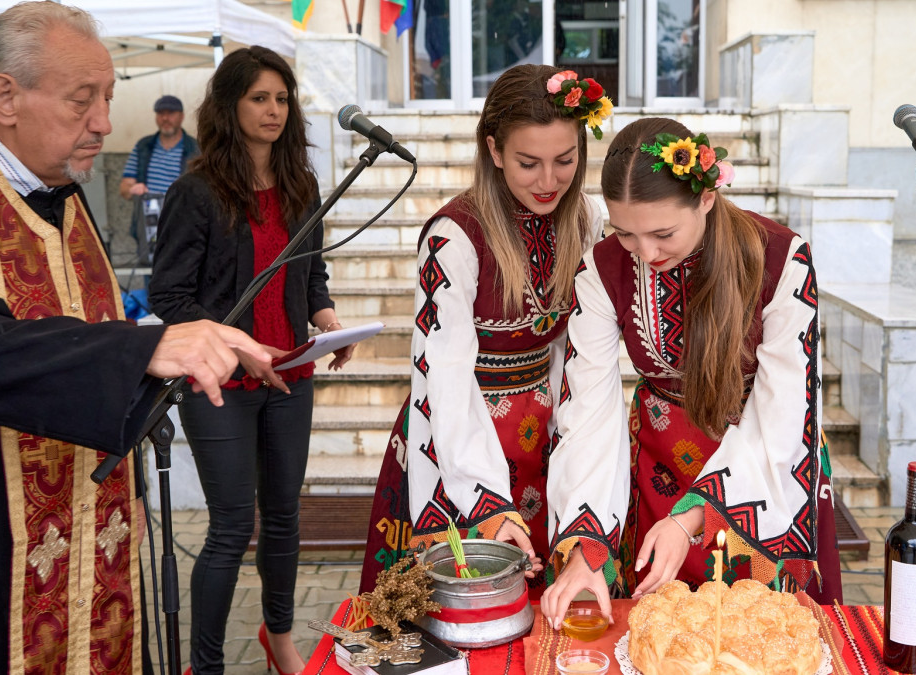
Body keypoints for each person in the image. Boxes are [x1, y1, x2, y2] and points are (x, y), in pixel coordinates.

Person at [0, 3, 270, 673]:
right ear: (4, 96)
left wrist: (134, 478)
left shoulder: (58, 184)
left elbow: (86, 326)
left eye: (108, 98)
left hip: (94, 528)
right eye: (84, 101)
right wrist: (143, 348)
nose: (106, 124)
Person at [540, 117, 842, 626]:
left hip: (764, 469)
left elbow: (785, 411)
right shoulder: (602, 268)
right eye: (626, 234)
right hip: (659, 468)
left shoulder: (780, 258)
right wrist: (586, 545)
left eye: (662, 233)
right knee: (659, 635)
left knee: (757, 639)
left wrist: (696, 516)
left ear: (705, 198)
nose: (646, 253)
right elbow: (587, 411)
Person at [358, 65, 615, 601]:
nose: (548, 181)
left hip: (545, 435)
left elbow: (585, 353)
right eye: (528, 162)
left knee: (550, 597)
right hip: (457, 431)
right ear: (494, 150)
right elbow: (444, 373)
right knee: (460, 606)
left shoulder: (588, 219)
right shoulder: (456, 236)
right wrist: (484, 502)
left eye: (565, 160)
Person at [148, 45, 352, 675]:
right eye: (259, 98)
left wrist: (328, 320)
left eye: (282, 99)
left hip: (290, 373)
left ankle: (279, 638)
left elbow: (309, 270)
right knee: (232, 527)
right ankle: (206, 665)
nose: (273, 110)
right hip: (220, 383)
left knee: (285, 518)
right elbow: (169, 296)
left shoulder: (301, 184)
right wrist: (237, 345)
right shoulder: (197, 191)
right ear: (230, 105)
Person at [118, 95, 199, 200]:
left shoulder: (196, 149)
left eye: (171, 113)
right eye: (160, 113)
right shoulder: (143, 146)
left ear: (182, 116)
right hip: (146, 214)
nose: (165, 118)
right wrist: (131, 189)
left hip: (179, 215)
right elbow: (124, 188)